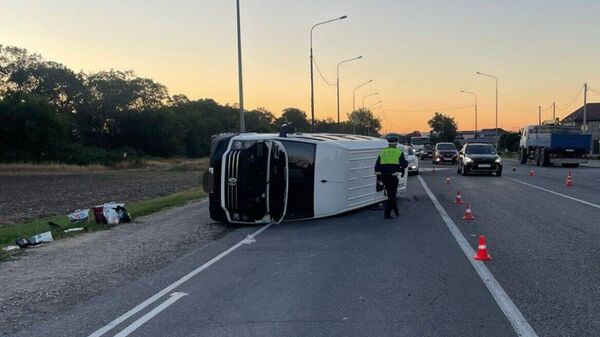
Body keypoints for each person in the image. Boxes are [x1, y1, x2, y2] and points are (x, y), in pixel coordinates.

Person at [374, 134, 408, 219]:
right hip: (393, 177)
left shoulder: (383, 152)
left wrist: (379, 177)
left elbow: (376, 167)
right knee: (392, 195)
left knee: (390, 195)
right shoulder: (399, 152)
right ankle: (387, 213)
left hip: (384, 177)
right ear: (396, 143)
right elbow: (404, 164)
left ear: (388, 143)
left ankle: (396, 210)